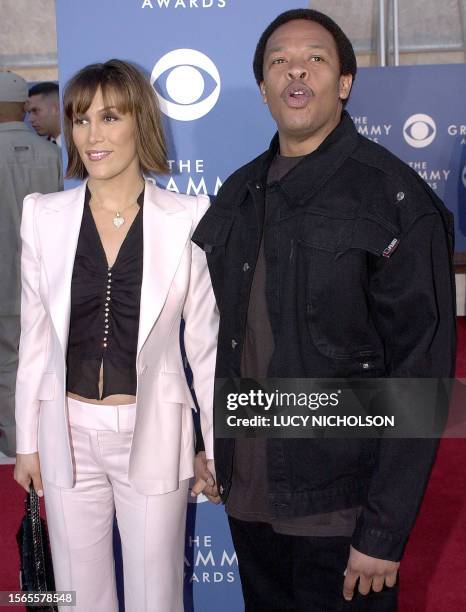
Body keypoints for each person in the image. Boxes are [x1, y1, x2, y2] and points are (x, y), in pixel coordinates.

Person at [192, 9, 456, 612]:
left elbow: (420, 378)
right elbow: (218, 339)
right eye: (279, 61)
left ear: (344, 83)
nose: (295, 70)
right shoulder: (238, 192)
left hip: (341, 514)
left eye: (315, 57)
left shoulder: (395, 200)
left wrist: (383, 533)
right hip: (250, 498)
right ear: (262, 87)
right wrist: (211, 443)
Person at [14, 59, 218, 612]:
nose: (92, 135)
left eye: (109, 117)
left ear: (140, 124)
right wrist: (25, 439)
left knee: (157, 599)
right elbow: (36, 335)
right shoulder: (43, 215)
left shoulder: (189, 218)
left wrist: (216, 447)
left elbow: (205, 348)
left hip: (153, 432)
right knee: (79, 598)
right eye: (80, 120)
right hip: (67, 432)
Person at [0, 71, 62, 457]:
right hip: (48, 276)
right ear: (24, 105)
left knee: (9, 363)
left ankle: (15, 443)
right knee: (45, 357)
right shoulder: (53, 154)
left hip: (5, 277)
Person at [27, 82, 62, 146]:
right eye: (29, 112)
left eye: (35, 111)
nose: (30, 119)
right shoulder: (41, 149)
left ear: (57, 109)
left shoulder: (79, 146)